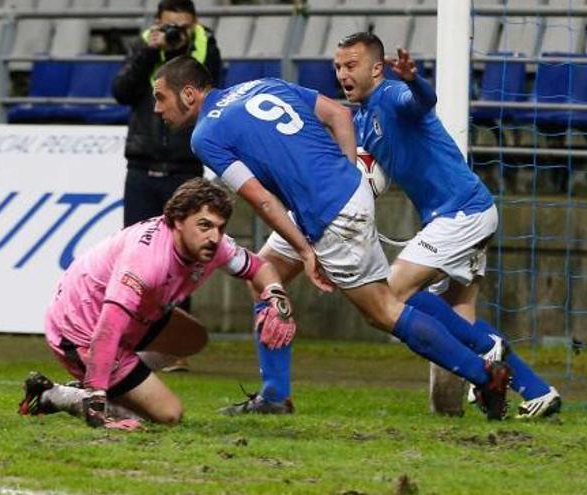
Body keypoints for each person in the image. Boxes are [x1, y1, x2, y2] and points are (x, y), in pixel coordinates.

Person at [153, 56, 514, 420]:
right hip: (335, 195)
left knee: (383, 311)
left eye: (160, 97)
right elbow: (339, 116)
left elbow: (261, 199)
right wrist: (348, 176)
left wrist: (305, 250)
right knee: (265, 275)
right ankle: (274, 394)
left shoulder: (205, 136)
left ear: (188, 94)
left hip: (328, 212)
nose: (157, 108)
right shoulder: (264, 84)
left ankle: (485, 375)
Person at [333, 32, 560, 418]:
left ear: (376, 68)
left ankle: (489, 350)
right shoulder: (362, 118)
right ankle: (538, 391)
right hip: (465, 213)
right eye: (337, 66)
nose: (342, 73)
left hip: (460, 213)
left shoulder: (392, 96)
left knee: (393, 293)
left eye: (350, 65)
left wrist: (413, 80)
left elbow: (423, 101)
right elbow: (369, 171)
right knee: (458, 315)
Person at [18, 178, 296, 429]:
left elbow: (260, 267)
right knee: (169, 415)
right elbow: (108, 329)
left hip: (130, 316)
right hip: (81, 331)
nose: (213, 236)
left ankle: (112, 384)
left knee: (191, 338)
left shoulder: (214, 245)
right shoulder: (147, 262)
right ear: (177, 220)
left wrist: (275, 296)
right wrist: (96, 403)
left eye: (220, 227)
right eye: (204, 225)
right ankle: (60, 395)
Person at [112, 0, 223, 374]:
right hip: (142, 167)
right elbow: (121, 91)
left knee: (184, 259)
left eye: (184, 28)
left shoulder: (206, 47)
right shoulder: (144, 46)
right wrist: (150, 51)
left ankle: (174, 348)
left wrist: (190, 51)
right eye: (171, 26)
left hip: (184, 168)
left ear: (195, 25)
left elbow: (215, 94)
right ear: (158, 23)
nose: (177, 33)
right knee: (137, 258)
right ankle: (130, 341)